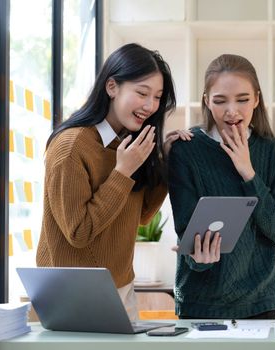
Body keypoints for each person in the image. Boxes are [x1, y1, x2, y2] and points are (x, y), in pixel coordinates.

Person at [36, 43, 191, 320]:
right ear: (112, 87)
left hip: (121, 287)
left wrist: (166, 162)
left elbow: (141, 216)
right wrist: (122, 173)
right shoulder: (71, 147)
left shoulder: (130, 144)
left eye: (157, 97)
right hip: (73, 294)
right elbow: (79, 233)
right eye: (142, 93)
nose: (150, 105)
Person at [168, 54, 275, 319]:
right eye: (219, 101)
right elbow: (187, 231)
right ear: (206, 101)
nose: (231, 111)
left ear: (257, 99)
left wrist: (248, 172)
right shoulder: (186, 150)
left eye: (242, 99)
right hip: (200, 304)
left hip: (259, 303)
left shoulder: (271, 151)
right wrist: (197, 258)